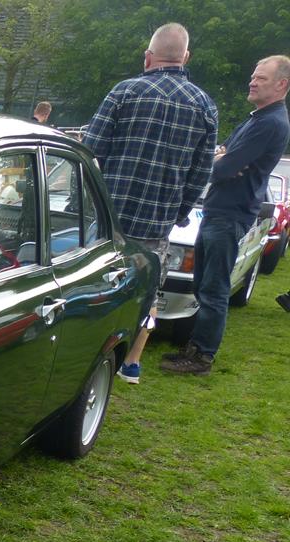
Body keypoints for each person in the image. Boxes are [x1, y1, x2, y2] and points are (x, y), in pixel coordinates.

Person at [81, 23, 217, 385]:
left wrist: (90, 199)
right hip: (157, 221)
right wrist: (179, 212)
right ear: (186, 57)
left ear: (148, 57)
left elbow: (90, 150)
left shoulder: (124, 92)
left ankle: (88, 355)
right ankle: (132, 363)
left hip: (107, 216)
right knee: (148, 292)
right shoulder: (204, 106)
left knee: (96, 283)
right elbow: (200, 173)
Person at [161, 55, 290, 376]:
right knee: (203, 285)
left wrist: (224, 159)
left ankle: (202, 357)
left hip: (230, 214)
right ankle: (194, 347)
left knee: (214, 288)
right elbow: (221, 157)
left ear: (281, 85)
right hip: (218, 211)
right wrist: (222, 157)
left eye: (261, 78)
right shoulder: (257, 119)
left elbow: (221, 168)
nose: (252, 81)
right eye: (253, 75)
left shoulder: (271, 123)